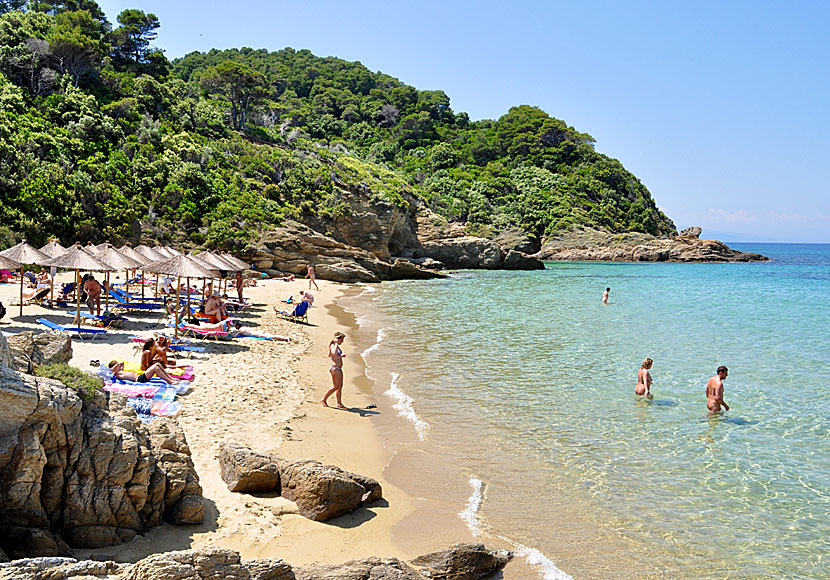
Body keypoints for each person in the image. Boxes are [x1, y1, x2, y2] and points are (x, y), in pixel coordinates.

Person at [194, 318, 291, 341]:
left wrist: (231, 335)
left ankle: (286, 338)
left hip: (258, 335)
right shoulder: (245, 327)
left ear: (237, 326)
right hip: (259, 331)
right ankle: (285, 337)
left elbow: (234, 336)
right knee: (270, 334)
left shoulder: (241, 330)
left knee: (271, 336)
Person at [320, 332, 346, 408]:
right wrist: (336, 343)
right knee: (335, 386)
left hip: (339, 369)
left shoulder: (335, 346)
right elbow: (334, 354)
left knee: (340, 386)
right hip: (335, 369)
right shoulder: (333, 345)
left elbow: (334, 356)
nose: (342, 342)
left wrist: (341, 356)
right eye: (342, 340)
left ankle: (339, 403)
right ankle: (324, 399)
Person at [108, 359, 180, 385]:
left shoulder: (121, 370)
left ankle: (170, 378)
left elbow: (122, 362)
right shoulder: (116, 374)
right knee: (155, 367)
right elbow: (110, 370)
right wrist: (115, 366)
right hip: (139, 379)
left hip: (141, 376)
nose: (118, 365)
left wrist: (118, 364)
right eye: (116, 365)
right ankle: (170, 381)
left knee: (157, 364)